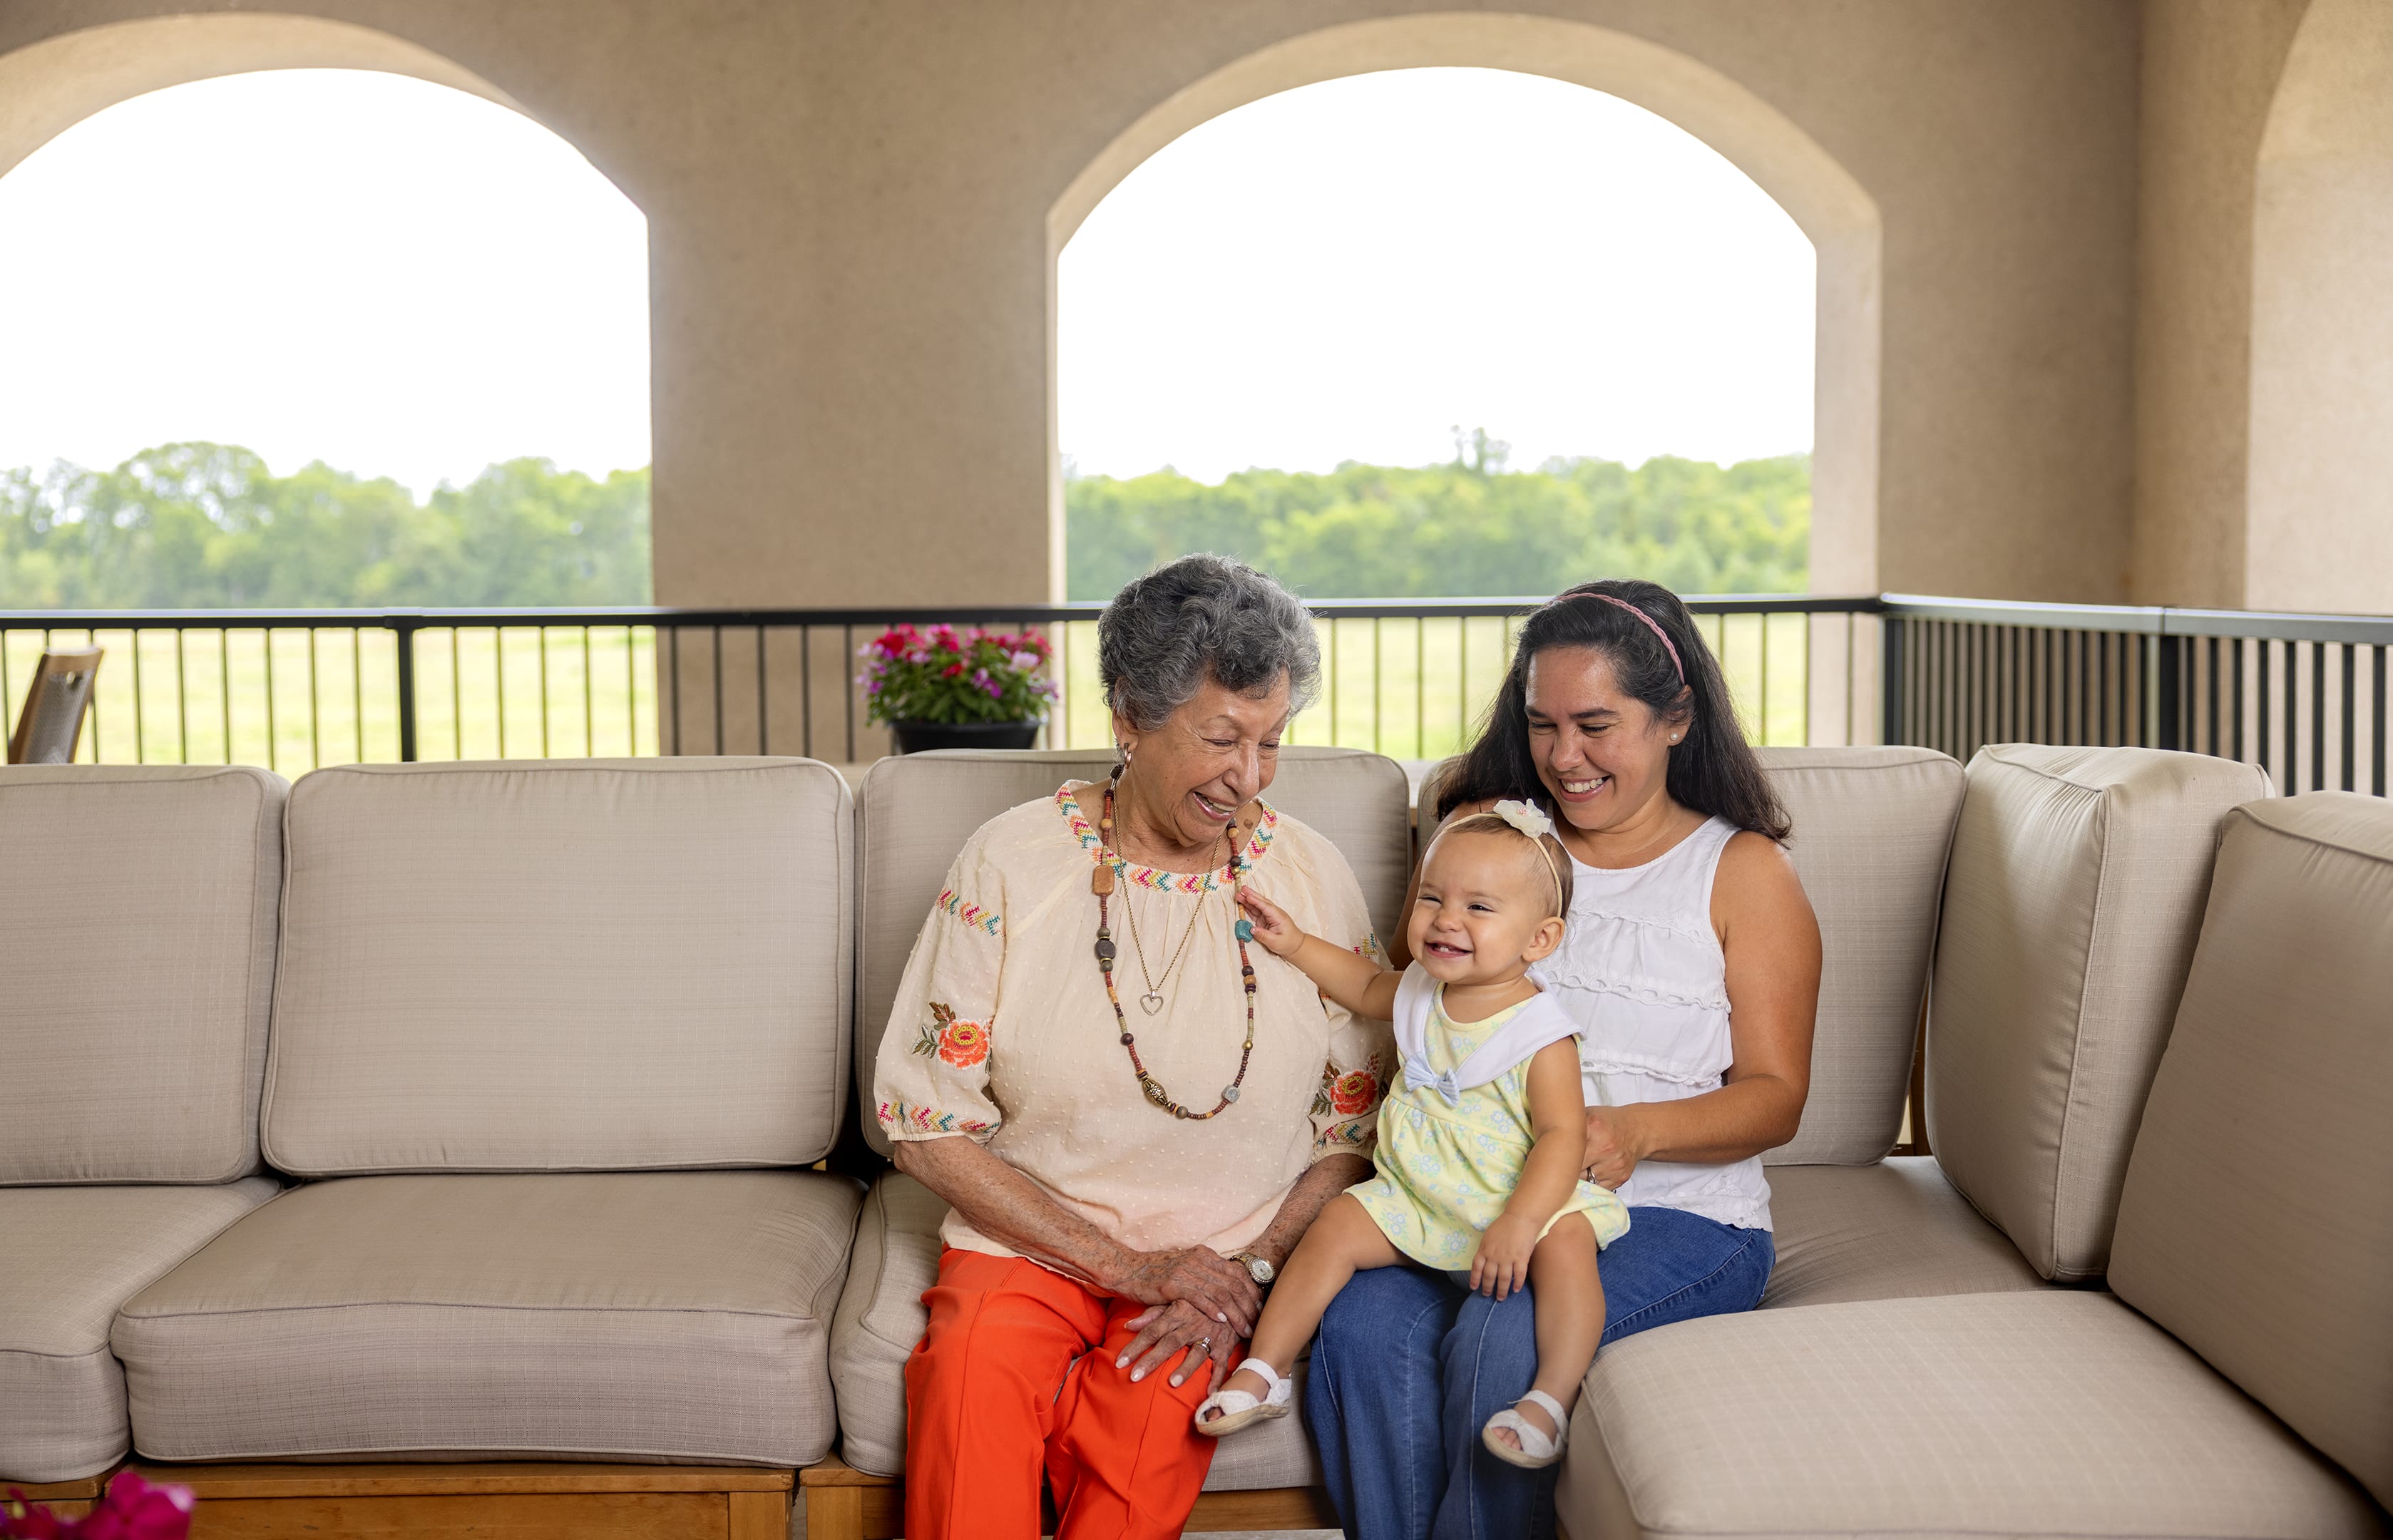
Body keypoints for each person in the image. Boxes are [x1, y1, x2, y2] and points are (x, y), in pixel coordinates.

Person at [873, 554, 1395, 1540]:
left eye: (1271, 742)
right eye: (1219, 739)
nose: (1247, 777)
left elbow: (1352, 1129)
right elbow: (923, 1123)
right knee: (969, 1408)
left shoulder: (1310, 876)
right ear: (1128, 719)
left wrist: (1252, 1270)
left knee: (1145, 1444)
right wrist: (1120, 1265)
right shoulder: (1013, 862)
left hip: (1225, 1258)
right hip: (1031, 1244)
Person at [1306, 578, 1823, 1539]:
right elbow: (1410, 1002)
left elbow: (1777, 1098)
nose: (1565, 757)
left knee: (1507, 1333)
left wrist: (1635, 1130)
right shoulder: (1492, 842)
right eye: (1543, 724)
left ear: (1676, 719)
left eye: (1596, 724)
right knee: (1361, 1329)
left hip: (1676, 1220)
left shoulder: (1743, 872)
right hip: (1475, 1196)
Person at [1194, 801, 1627, 1469]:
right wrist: (1295, 943)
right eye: (1432, 897)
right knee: (1335, 1225)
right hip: (1419, 1198)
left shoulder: (1541, 1035)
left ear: (1539, 940)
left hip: (1512, 1206)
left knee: (1569, 1247)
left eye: (1479, 908)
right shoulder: (1423, 990)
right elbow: (1367, 984)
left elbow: (1563, 1139)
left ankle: (1549, 1398)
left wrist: (1522, 1219)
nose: (1445, 919)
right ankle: (1266, 1370)